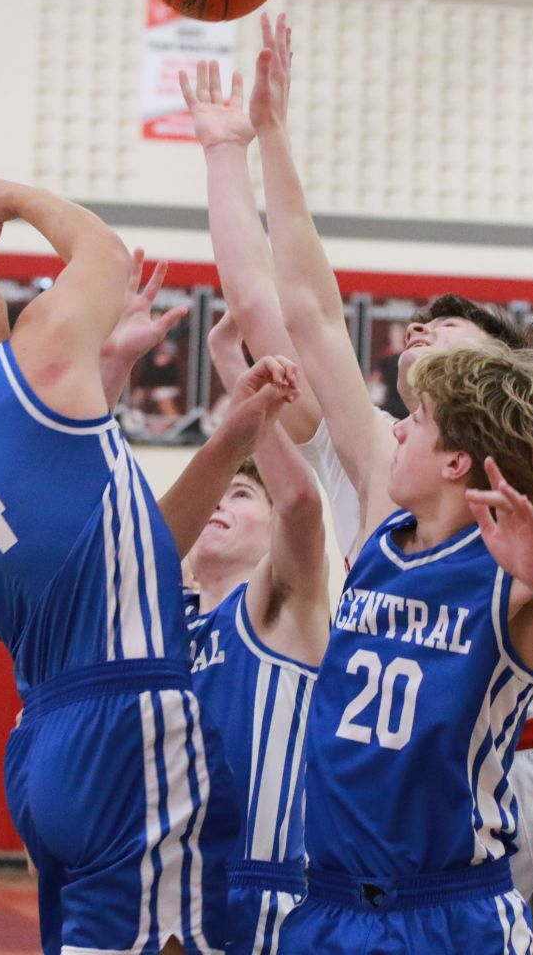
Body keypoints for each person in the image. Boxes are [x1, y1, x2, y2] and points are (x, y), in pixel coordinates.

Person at [241, 15, 533, 953]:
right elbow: (311, 312)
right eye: (413, 334)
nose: (419, 333)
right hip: (442, 793)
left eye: (447, 330)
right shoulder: (389, 462)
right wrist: (268, 139)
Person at [0, 176, 302, 955]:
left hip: (46, 749)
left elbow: (133, 560)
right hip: (131, 726)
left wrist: (232, 440)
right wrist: (15, 199)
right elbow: (103, 253)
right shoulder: (35, 359)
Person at [179, 69, 334, 953]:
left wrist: (245, 398)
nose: (216, 508)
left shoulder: (277, 604)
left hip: (276, 891)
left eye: (241, 496)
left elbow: (303, 501)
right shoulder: (163, 617)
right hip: (171, 885)